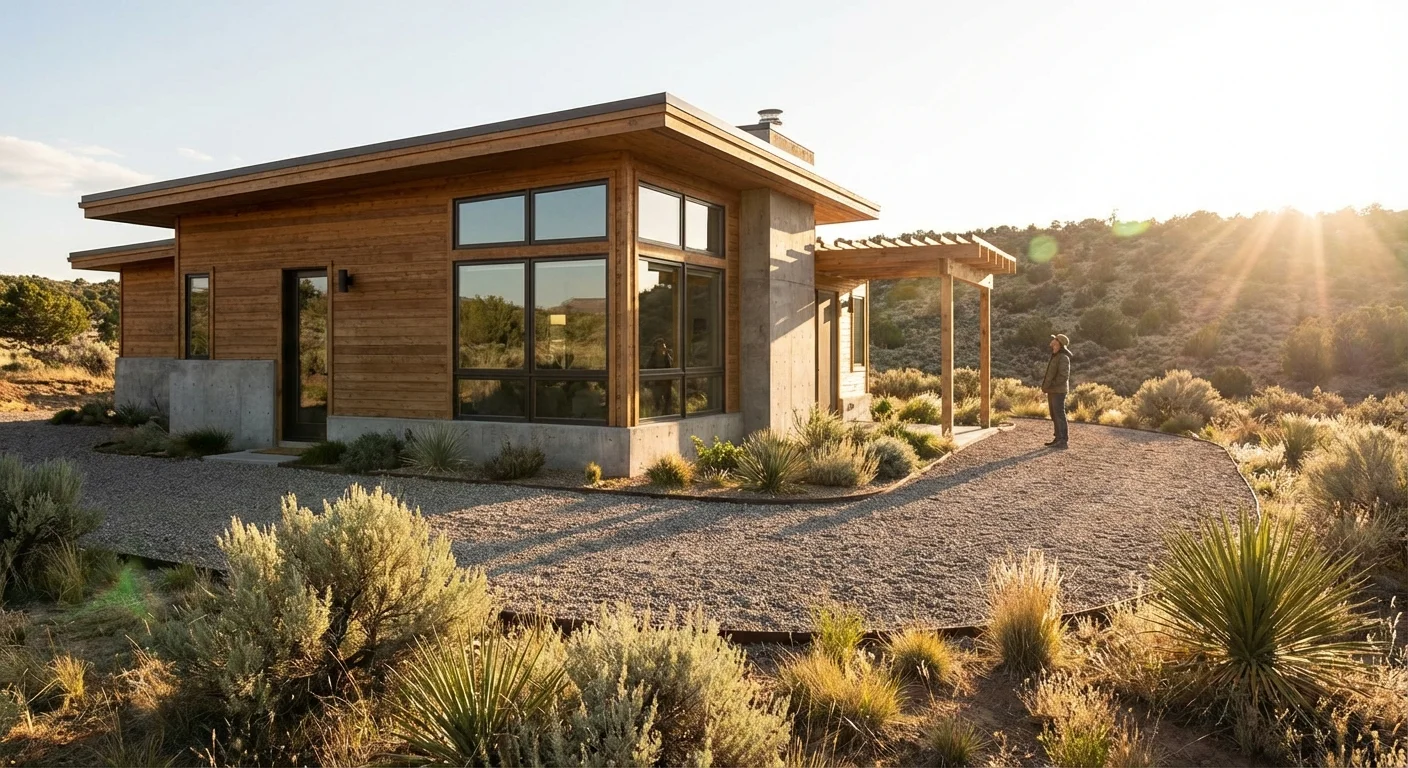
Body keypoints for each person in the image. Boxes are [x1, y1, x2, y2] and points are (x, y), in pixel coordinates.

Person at [1041, 333, 1072, 448]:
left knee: (1059, 414)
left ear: (1059, 343)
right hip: (1053, 390)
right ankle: (1058, 438)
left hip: (1058, 391)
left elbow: (1064, 376)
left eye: (1055, 339)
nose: (1052, 341)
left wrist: (1051, 385)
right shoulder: (1056, 356)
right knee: (1054, 414)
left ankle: (1063, 440)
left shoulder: (1063, 358)